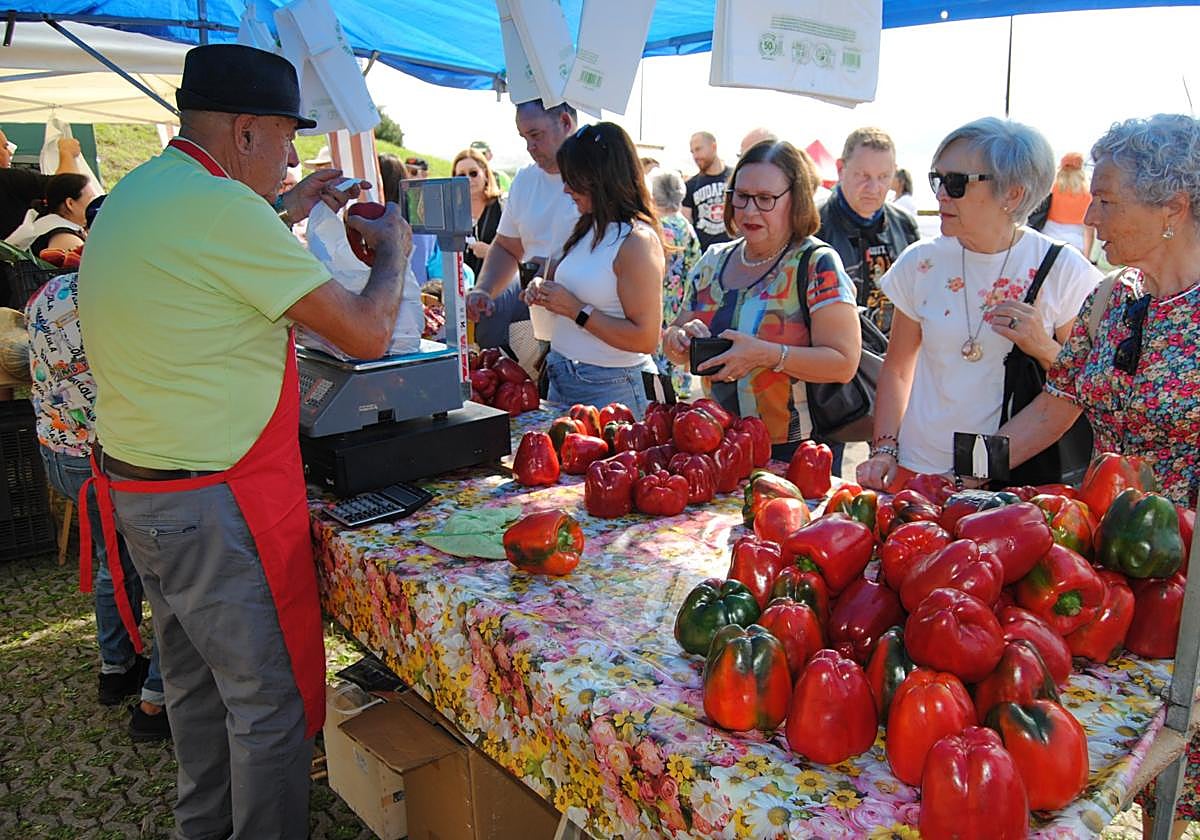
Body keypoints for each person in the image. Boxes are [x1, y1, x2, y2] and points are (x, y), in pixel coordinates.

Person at [76, 43, 412, 839]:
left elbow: (212, 248)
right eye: (287, 139)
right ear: (247, 132)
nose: (293, 156)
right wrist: (394, 250)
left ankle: (205, 829)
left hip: (142, 489)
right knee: (268, 704)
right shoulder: (223, 211)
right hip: (214, 499)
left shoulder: (147, 190)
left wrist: (291, 204)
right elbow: (367, 332)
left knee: (194, 689)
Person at [994, 110, 1200, 840]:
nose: (1093, 213)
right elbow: (1058, 406)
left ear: (1173, 207)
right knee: (1131, 753)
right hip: (1110, 570)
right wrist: (961, 474)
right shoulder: (1113, 301)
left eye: (1108, 199)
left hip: (1190, 580)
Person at [856, 117, 1101, 493]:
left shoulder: (1062, 270)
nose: (940, 195)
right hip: (916, 467)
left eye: (956, 183)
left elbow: (1080, 390)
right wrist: (885, 448)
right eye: (936, 180)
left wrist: (1042, 345)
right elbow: (898, 369)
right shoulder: (921, 262)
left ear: (1013, 195)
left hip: (1006, 485)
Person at [25, 193, 169, 743]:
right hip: (112, 461)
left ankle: (116, 668)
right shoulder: (123, 295)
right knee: (158, 577)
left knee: (117, 564)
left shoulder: (47, 294)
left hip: (61, 455)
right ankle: (155, 695)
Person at [662, 140, 861, 462]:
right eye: (741, 197)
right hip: (715, 444)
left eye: (766, 199)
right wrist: (677, 341)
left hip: (796, 454)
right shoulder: (713, 261)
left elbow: (843, 363)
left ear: (795, 200)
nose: (749, 211)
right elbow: (677, 336)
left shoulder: (815, 262)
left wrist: (766, 355)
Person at [523, 122, 665, 416]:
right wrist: (542, 290)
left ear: (600, 178)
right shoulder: (587, 225)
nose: (565, 188)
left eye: (573, 179)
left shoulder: (636, 241)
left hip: (612, 387)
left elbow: (646, 338)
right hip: (564, 376)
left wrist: (576, 310)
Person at [465, 99, 579, 355]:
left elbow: (621, 254)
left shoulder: (602, 179)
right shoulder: (525, 180)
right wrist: (484, 289)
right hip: (545, 333)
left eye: (536, 135)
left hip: (597, 339)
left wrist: (553, 269)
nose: (530, 147)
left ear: (565, 122)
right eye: (524, 137)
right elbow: (507, 247)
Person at [817, 127, 920, 336]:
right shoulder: (813, 225)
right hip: (832, 354)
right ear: (841, 169)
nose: (873, 188)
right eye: (863, 175)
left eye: (883, 177)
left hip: (891, 354)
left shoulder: (905, 227)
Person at [650, 169, 702, 396]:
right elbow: (696, 261)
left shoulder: (657, 226)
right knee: (679, 339)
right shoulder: (685, 225)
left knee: (661, 342)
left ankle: (663, 389)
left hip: (659, 295)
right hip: (682, 295)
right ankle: (681, 388)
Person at [0, 128, 81, 239]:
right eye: (5, 147)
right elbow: (67, 185)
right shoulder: (8, 179)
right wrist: (67, 153)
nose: (9, 153)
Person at [380, 153, 442, 285]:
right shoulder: (424, 217)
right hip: (418, 293)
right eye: (408, 172)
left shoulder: (368, 220)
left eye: (414, 172)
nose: (411, 177)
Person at [5, 173, 98, 254]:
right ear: (70, 203)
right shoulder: (65, 238)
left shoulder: (43, 221)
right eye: (91, 199)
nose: (96, 204)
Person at [452, 147, 504, 279]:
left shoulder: (502, 208)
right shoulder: (452, 211)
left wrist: (490, 253)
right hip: (461, 286)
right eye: (461, 175)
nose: (467, 179)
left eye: (473, 173)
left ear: (486, 175)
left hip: (495, 285)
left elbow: (518, 253)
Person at [682, 131, 732, 252]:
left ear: (713, 147)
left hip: (733, 253)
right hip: (705, 257)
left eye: (698, 149)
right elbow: (687, 226)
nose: (695, 156)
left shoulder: (736, 177)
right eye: (692, 152)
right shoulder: (690, 186)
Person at [1042, 152, 1095, 257]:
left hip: (1048, 234)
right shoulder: (1087, 194)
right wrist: (1086, 256)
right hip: (1076, 240)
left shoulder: (1051, 188)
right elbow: (1089, 231)